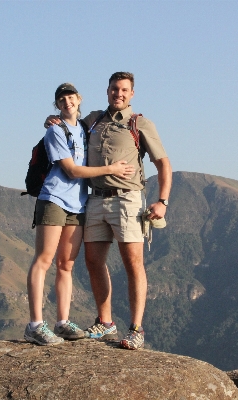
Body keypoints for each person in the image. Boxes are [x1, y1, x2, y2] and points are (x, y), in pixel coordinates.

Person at [45, 72, 172, 350]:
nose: (119, 94)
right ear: (107, 91)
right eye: (115, 89)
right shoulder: (92, 120)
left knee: (132, 263)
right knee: (93, 261)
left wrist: (162, 201)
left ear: (132, 93)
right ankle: (106, 322)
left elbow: (163, 163)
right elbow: (68, 123)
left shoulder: (139, 124)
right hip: (95, 199)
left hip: (128, 200)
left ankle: (136, 329)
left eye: (124, 90)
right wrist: (51, 119)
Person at [24, 83, 135, 346]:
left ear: (78, 99)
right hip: (53, 199)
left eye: (70, 97)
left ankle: (62, 322)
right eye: (61, 99)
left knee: (66, 264)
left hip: (78, 204)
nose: (66, 102)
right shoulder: (55, 131)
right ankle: (35, 325)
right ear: (57, 105)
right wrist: (112, 170)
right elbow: (72, 171)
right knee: (44, 259)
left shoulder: (86, 127)